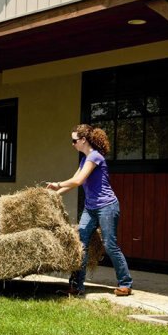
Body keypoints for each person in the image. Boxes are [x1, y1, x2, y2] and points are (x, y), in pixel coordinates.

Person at [46, 124, 133, 296]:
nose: (73, 144)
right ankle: (76, 287)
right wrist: (54, 194)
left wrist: (57, 185)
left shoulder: (95, 156)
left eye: (74, 141)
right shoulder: (84, 159)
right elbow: (74, 179)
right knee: (81, 244)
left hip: (107, 206)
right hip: (90, 208)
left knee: (110, 244)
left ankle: (125, 283)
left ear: (83, 140)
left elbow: (79, 181)